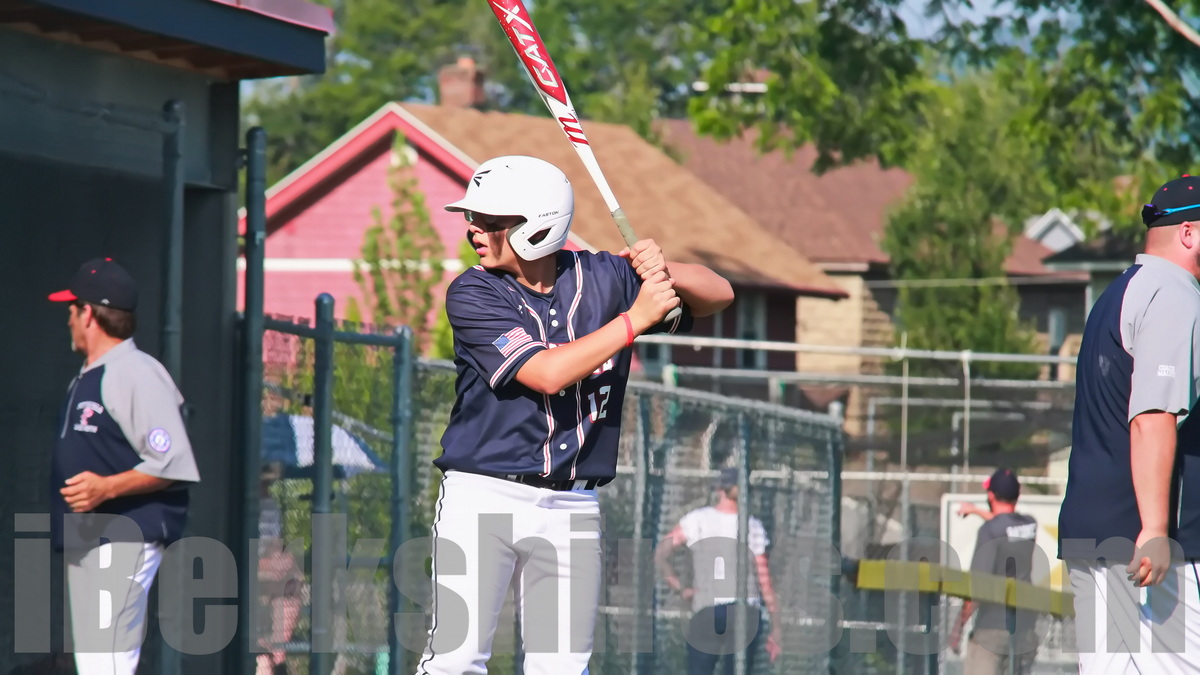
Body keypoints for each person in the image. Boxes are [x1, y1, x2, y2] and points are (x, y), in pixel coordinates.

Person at [415, 155, 735, 674]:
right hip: (484, 495)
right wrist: (635, 320)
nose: (475, 229)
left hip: (572, 506)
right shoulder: (472, 292)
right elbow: (545, 373)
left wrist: (662, 270)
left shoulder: (602, 276)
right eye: (473, 218)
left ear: (539, 226)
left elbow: (719, 293)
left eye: (493, 221)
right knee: (457, 660)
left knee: (562, 667)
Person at [1058, 174, 1200, 673]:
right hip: (1147, 547)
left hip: (1098, 534)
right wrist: (1157, 528)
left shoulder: (1118, 292)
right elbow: (1152, 417)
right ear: (1190, 233)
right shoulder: (1174, 293)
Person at [47, 257, 201, 674]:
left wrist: (106, 488)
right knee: (99, 664)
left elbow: (171, 463)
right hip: (93, 539)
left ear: (90, 314)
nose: (69, 319)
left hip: (123, 537)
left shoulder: (135, 373)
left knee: (107, 663)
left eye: (72, 309)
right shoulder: (91, 374)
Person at [654, 468, 783, 674]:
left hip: (708, 608)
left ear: (720, 490)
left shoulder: (698, 520)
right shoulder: (752, 525)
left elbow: (661, 553)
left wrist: (680, 588)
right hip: (744, 610)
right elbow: (764, 579)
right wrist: (776, 626)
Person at [950, 468, 1039, 674]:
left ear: (990, 495)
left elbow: (979, 587)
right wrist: (975, 511)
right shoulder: (1030, 524)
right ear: (1018, 495)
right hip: (1024, 628)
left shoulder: (989, 531)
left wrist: (958, 627)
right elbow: (1004, 524)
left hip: (993, 628)